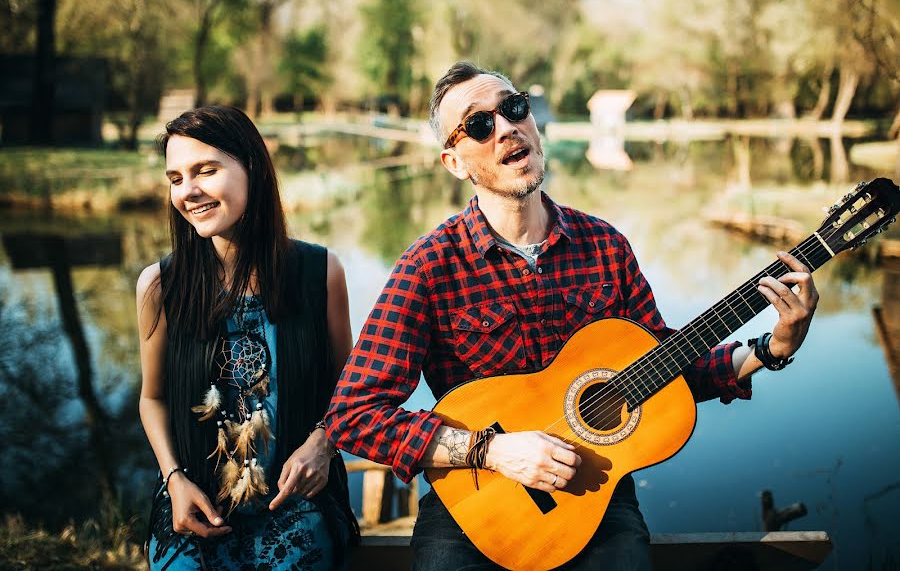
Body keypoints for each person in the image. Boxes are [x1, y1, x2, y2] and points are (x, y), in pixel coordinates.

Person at [325, 62, 818, 570]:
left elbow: (661, 371)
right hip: (474, 505)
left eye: (514, 108)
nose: (507, 128)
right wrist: (490, 451)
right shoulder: (429, 267)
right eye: (479, 125)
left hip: (598, 497)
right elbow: (353, 416)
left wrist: (771, 348)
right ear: (454, 162)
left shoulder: (604, 246)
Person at [137, 106, 359, 570]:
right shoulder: (160, 285)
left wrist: (324, 441)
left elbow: (349, 389)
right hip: (194, 500)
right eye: (175, 178)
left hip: (297, 503)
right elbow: (153, 398)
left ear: (252, 169)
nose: (188, 191)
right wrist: (174, 480)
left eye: (205, 170)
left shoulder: (320, 272)